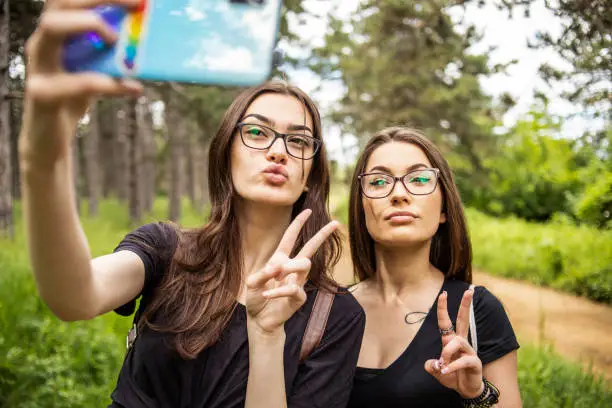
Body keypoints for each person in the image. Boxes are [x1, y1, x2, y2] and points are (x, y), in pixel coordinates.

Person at [18, 1, 365, 407]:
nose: (278, 151)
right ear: (227, 153)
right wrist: (41, 159)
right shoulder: (168, 251)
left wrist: (268, 336)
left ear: (311, 173)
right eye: (257, 132)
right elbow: (74, 297)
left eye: (299, 140)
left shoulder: (337, 316)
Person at [345, 127, 521, 407]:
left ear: (443, 210)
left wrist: (476, 394)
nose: (399, 194)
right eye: (379, 182)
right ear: (362, 207)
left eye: (419, 179)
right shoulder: (327, 310)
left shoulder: (480, 311)